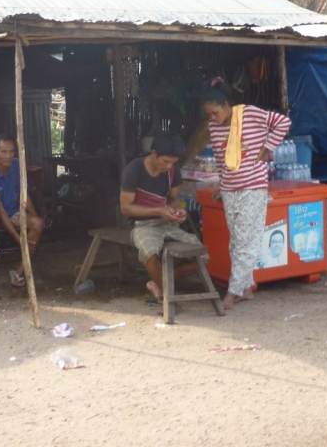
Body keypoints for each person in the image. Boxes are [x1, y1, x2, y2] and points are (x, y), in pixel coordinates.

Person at [203, 77, 291, 309]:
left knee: (245, 243)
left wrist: (267, 147)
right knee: (238, 242)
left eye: (214, 113)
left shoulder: (250, 114)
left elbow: (283, 122)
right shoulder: (213, 127)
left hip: (253, 187)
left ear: (226, 106)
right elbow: (221, 161)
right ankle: (246, 289)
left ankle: (231, 294)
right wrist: (222, 186)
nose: (212, 119)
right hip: (231, 190)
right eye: (209, 115)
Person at [119, 132, 200, 306]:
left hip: (166, 222)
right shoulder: (134, 170)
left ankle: (156, 284)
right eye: (165, 161)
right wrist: (158, 211)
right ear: (153, 153)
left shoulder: (173, 171)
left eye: (173, 162)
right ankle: (167, 297)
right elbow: (125, 208)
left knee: (204, 258)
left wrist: (178, 212)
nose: (169, 166)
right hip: (142, 224)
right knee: (150, 253)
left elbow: (175, 200)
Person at [0, 134, 44, 286]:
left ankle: (19, 270)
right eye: (4, 152)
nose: (8, 156)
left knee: (38, 223)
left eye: (12, 151)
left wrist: (34, 218)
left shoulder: (17, 166)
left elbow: (23, 195)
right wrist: (18, 239)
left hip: (11, 211)